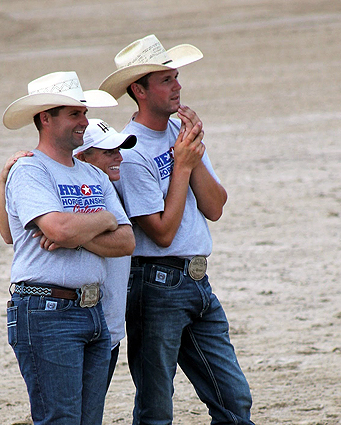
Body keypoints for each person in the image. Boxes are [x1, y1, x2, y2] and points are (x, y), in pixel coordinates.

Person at [99, 34, 255, 424]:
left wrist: (192, 151)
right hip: (156, 285)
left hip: (198, 281)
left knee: (234, 399)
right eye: (167, 79)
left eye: (176, 77)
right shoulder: (131, 152)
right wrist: (182, 165)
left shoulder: (177, 135)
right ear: (139, 89)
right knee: (156, 407)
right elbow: (162, 233)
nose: (178, 86)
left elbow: (215, 207)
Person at [1, 70, 135, 425]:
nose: (84, 122)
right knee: (61, 419)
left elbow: (126, 241)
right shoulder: (30, 170)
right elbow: (57, 228)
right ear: (46, 118)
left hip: (92, 311)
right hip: (46, 310)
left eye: (84, 113)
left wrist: (78, 232)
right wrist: (103, 219)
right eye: (75, 114)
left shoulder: (94, 175)